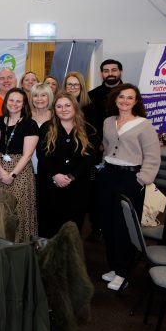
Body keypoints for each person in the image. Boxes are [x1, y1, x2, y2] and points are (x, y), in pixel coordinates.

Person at [97, 83, 161, 292]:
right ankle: (115, 267)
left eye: (130, 98)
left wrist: (141, 180)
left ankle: (124, 272)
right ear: (115, 99)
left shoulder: (144, 125)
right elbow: (106, 147)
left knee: (123, 226)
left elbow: (153, 158)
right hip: (108, 176)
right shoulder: (108, 121)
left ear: (136, 102)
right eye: (121, 97)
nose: (125, 101)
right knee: (107, 224)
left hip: (130, 179)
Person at [36, 94, 98, 238]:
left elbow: (90, 158)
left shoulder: (89, 129)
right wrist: (55, 175)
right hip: (51, 185)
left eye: (67, 105)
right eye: (59, 106)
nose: (63, 109)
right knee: (49, 227)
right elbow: (42, 155)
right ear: (54, 110)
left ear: (75, 107)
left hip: (78, 187)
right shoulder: (47, 127)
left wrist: (71, 176)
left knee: (73, 228)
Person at [0, 88, 40, 241]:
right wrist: (0, 171)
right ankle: (0, 245)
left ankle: (20, 245)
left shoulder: (30, 124)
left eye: (18, 101)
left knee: (19, 209)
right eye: (11, 100)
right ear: (6, 102)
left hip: (19, 172)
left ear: (24, 104)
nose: (14, 104)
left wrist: (12, 174)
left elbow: (27, 155)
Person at [88, 58, 123, 124]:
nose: (110, 74)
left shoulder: (130, 93)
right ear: (101, 74)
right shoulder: (91, 95)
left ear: (121, 72)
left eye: (114, 70)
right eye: (106, 71)